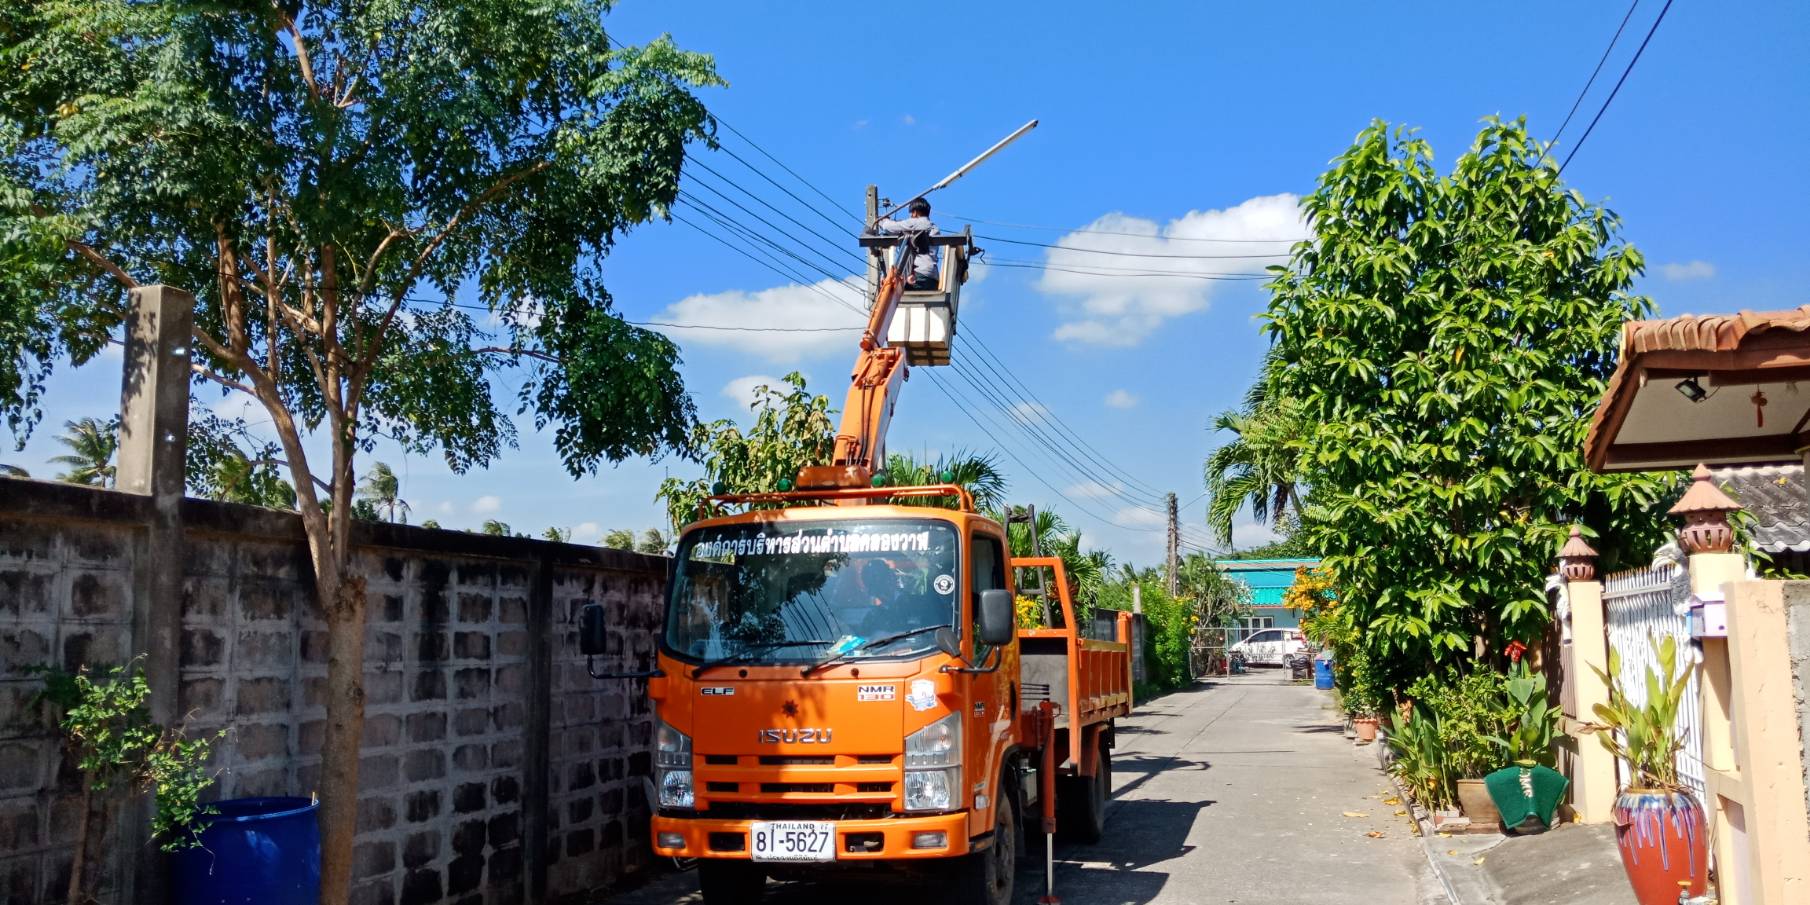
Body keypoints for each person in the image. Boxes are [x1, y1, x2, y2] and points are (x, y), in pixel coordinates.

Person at [872, 197, 939, 290]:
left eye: (912, 213)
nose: (911, 215)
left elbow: (889, 227)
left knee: (893, 289)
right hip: (933, 277)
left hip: (918, 274)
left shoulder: (915, 222)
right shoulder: (934, 228)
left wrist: (882, 220)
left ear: (915, 212)